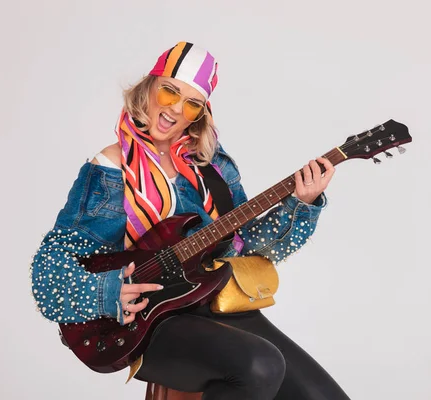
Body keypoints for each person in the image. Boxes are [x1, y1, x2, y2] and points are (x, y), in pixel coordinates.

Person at [31, 41, 350, 400]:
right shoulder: (110, 169)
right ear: (150, 87)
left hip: (211, 298)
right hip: (152, 319)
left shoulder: (212, 166)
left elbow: (248, 247)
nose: (175, 110)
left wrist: (301, 205)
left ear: (199, 112)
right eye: (170, 92)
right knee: (259, 365)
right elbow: (50, 272)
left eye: (191, 103)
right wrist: (109, 293)